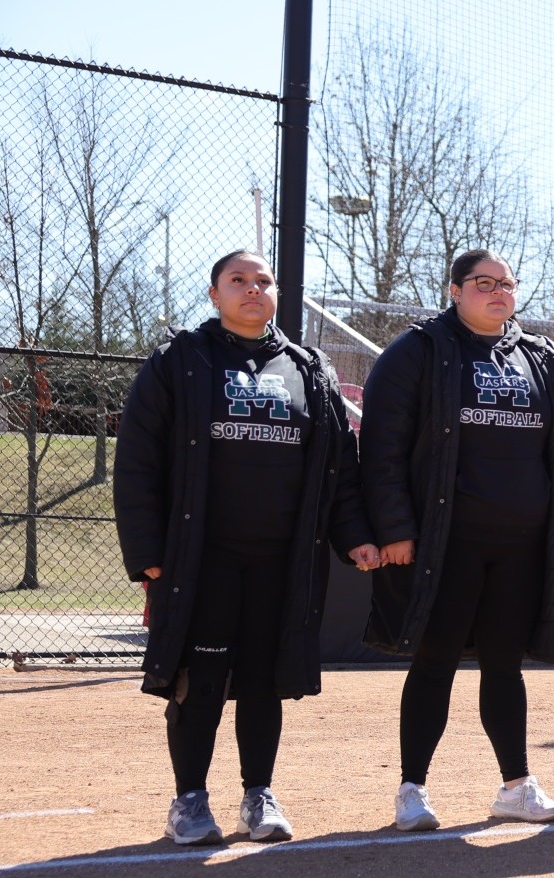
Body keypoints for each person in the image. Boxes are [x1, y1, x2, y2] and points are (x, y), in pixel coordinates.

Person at [115, 250, 380, 845]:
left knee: (265, 678)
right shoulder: (179, 362)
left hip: (284, 561)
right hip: (202, 558)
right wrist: (146, 548)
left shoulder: (308, 368)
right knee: (201, 677)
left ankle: (258, 796)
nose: (252, 290)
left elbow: (339, 465)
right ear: (214, 294)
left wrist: (355, 535)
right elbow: (137, 462)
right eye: (238, 281)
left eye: (263, 281)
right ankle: (190, 801)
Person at [360, 249, 554, 831]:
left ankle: (516, 787)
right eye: (483, 283)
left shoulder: (545, 360)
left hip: (523, 547)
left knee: (506, 667)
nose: (498, 292)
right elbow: (382, 449)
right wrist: (396, 529)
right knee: (435, 663)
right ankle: (412, 791)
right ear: (454, 290)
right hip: (446, 545)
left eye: (506, 284)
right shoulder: (418, 352)